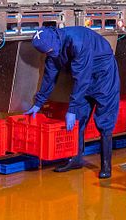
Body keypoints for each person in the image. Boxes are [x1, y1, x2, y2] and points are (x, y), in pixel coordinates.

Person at [23, 26, 120, 178]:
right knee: (78, 120)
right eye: (48, 52)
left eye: (51, 50)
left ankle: (106, 166)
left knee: (105, 120)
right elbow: (49, 76)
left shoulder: (77, 42)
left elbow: (82, 78)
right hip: (84, 79)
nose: (52, 54)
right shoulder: (53, 49)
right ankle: (76, 159)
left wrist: (72, 109)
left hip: (104, 76)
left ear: (56, 41)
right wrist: (38, 103)